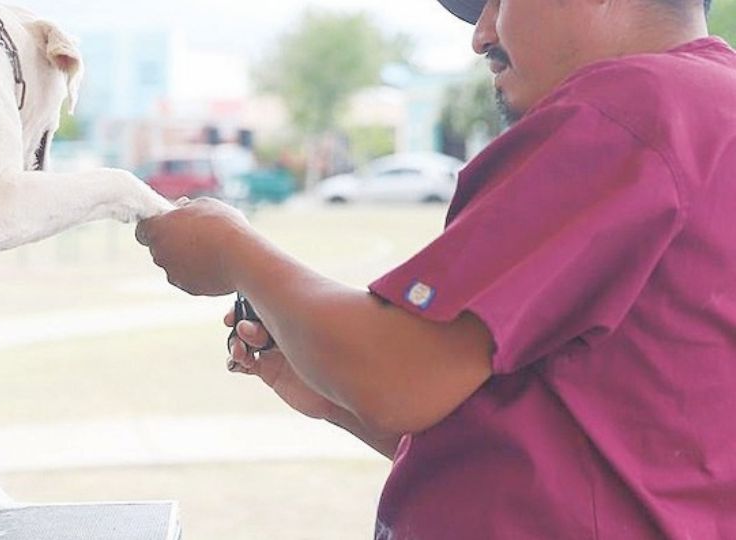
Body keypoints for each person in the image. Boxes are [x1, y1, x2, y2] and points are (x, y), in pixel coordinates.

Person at [136, 0, 736, 536]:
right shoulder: (710, 109)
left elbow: (395, 375)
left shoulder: (629, 109)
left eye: (499, 1)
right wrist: (334, 390)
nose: (482, 35)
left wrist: (230, 248)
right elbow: (584, 446)